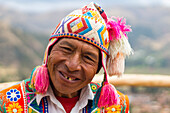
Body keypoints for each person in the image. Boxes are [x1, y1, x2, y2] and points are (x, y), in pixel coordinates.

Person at [0, 2, 133, 113]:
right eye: (66, 49)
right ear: (49, 51)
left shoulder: (115, 107)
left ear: (99, 68)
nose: (72, 65)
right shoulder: (8, 103)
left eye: (88, 58)